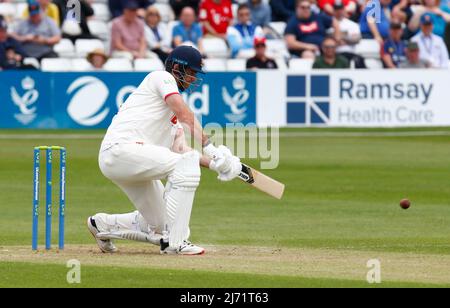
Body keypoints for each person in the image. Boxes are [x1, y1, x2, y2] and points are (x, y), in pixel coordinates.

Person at [88, 46, 242, 255]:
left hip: (131, 161)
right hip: (120, 149)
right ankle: (175, 243)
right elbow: (184, 112)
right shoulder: (160, 77)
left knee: (163, 224)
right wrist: (210, 146)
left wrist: (217, 164)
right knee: (184, 169)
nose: (194, 78)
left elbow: (181, 150)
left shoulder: (171, 120)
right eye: (192, 73)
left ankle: (102, 225)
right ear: (177, 68)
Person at [333, 1, 365, 68]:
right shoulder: (328, 23)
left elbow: (357, 39)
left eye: (341, 9)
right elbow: (327, 40)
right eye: (337, 9)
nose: (339, 11)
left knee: (359, 60)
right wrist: (348, 37)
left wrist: (339, 37)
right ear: (333, 10)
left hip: (350, 52)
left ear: (344, 10)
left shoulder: (352, 24)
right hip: (334, 54)